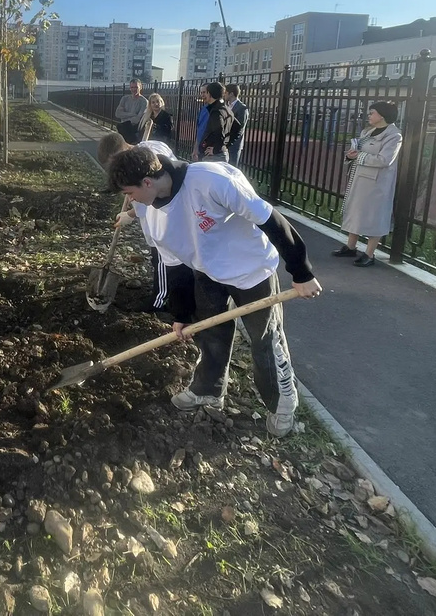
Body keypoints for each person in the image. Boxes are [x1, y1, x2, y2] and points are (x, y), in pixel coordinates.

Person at [106, 145, 323, 437]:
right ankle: (208, 389)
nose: (129, 200)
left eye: (128, 193)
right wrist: (181, 314)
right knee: (211, 334)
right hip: (206, 271)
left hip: (250, 269)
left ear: (147, 182)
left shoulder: (211, 181)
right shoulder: (151, 213)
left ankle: (281, 402)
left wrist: (302, 272)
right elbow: (174, 266)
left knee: (265, 341)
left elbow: (272, 220)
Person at [96, 132, 187, 317]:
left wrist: (130, 214)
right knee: (162, 258)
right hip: (158, 215)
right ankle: (169, 295)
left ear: (124, 147)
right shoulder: (141, 154)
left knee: (163, 257)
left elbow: (156, 189)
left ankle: (159, 300)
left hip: (165, 216)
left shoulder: (150, 152)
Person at [333, 101, 402, 267]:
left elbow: (385, 160)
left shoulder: (394, 135)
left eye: (372, 113)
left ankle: (369, 254)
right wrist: (351, 155)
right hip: (360, 178)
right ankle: (351, 246)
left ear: (382, 115)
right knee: (356, 211)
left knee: (375, 215)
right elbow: (359, 151)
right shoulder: (367, 131)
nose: (369, 115)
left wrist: (359, 157)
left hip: (378, 183)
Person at [197, 81, 235, 162]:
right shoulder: (227, 109)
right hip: (220, 154)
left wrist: (216, 149)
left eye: (205, 92)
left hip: (214, 157)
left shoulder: (217, 112)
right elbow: (237, 128)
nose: (203, 95)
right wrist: (225, 145)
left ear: (209, 94)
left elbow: (219, 133)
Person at [114, 79, 147, 144]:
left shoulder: (144, 101)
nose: (134, 89)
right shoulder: (125, 99)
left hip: (134, 131)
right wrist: (132, 114)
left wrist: (124, 116)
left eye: (136, 87)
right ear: (130, 88)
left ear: (140, 87)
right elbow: (117, 114)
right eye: (132, 87)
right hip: (122, 129)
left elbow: (137, 119)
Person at [223, 84, 247, 166]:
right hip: (224, 143)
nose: (224, 94)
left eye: (225, 92)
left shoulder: (242, 108)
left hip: (234, 145)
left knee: (232, 168)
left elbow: (240, 128)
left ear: (231, 94)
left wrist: (229, 143)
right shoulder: (227, 106)